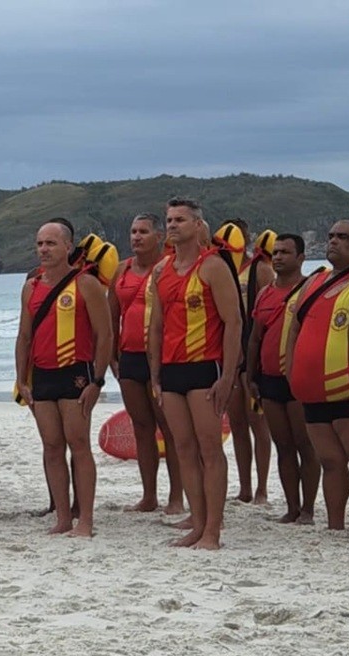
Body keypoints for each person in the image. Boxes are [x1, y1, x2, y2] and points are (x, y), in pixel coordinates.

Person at [147, 198, 243, 550]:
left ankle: (213, 532)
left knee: (209, 450)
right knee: (183, 449)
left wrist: (229, 375)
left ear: (198, 226)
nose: (172, 225)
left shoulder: (213, 266)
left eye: (180, 220)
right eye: (169, 219)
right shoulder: (162, 270)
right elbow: (155, 327)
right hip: (172, 369)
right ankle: (197, 524)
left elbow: (233, 323)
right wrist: (155, 373)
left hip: (206, 366)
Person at [285, 220, 349, 543]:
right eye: (330, 236)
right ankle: (335, 526)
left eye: (344, 237)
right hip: (312, 390)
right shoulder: (315, 282)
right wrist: (291, 371)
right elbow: (295, 328)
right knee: (330, 461)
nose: (334, 242)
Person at [15, 220, 111, 537]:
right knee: (52, 447)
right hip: (42, 375)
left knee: (79, 444)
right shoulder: (30, 287)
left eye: (51, 243)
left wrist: (98, 381)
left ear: (68, 247)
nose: (44, 249)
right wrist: (22, 380)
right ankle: (61, 519)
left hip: (76, 374)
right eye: (40, 243)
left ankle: (85, 520)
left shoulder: (86, 284)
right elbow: (24, 337)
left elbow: (105, 335)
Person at [108, 213, 183, 514]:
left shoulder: (169, 266)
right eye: (133, 231)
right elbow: (112, 314)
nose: (136, 237)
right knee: (142, 427)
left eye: (143, 232)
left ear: (159, 235)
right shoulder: (122, 269)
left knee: (169, 426)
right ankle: (149, 495)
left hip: (163, 357)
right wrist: (112, 355)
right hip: (130, 356)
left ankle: (176, 497)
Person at [247, 234, 319, 524]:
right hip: (269, 379)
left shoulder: (309, 289)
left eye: (285, 252)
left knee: (305, 444)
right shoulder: (264, 293)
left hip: (299, 379)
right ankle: (292, 507)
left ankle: (309, 509)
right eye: (275, 252)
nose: (278, 257)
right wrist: (250, 375)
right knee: (283, 445)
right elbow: (254, 339)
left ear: (301, 258)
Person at [223, 219, 274, 505]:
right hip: (232, 350)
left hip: (252, 350)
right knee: (238, 424)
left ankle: (262, 488)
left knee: (258, 424)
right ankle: (244, 486)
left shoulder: (259, 268)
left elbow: (268, 314)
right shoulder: (220, 267)